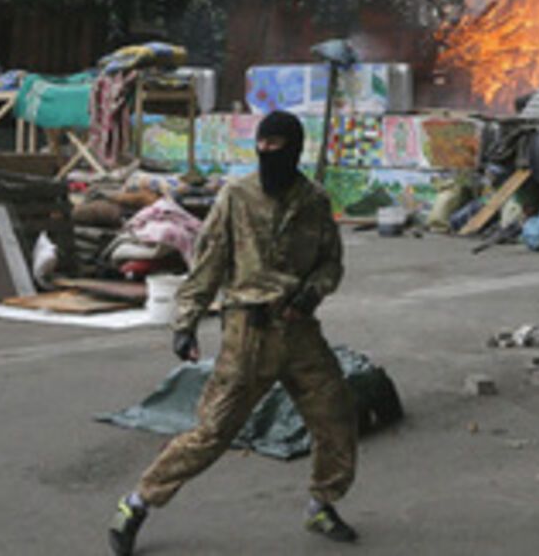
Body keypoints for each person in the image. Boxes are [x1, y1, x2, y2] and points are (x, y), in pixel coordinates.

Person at [108, 110, 358, 555]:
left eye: (276, 148)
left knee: (335, 417)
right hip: (248, 334)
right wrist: (184, 323)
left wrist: (312, 292)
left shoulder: (315, 201)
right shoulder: (236, 197)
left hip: (299, 333)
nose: (266, 155)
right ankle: (137, 503)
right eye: (261, 147)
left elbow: (331, 262)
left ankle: (322, 503)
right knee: (211, 433)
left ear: (295, 150)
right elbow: (209, 263)